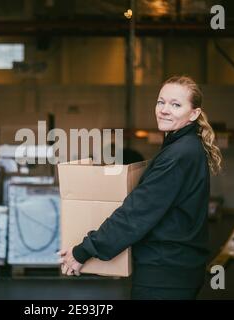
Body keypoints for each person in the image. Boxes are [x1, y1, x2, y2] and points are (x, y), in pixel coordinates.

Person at [58, 75, 222, 300]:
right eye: (160, 102)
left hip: (166, 273)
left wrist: (83, 251)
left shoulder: (179, 154)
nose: (164, 110)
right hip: (174, 268)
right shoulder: (182, 146)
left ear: (193, 113)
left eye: (175, 105)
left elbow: (137, 212)